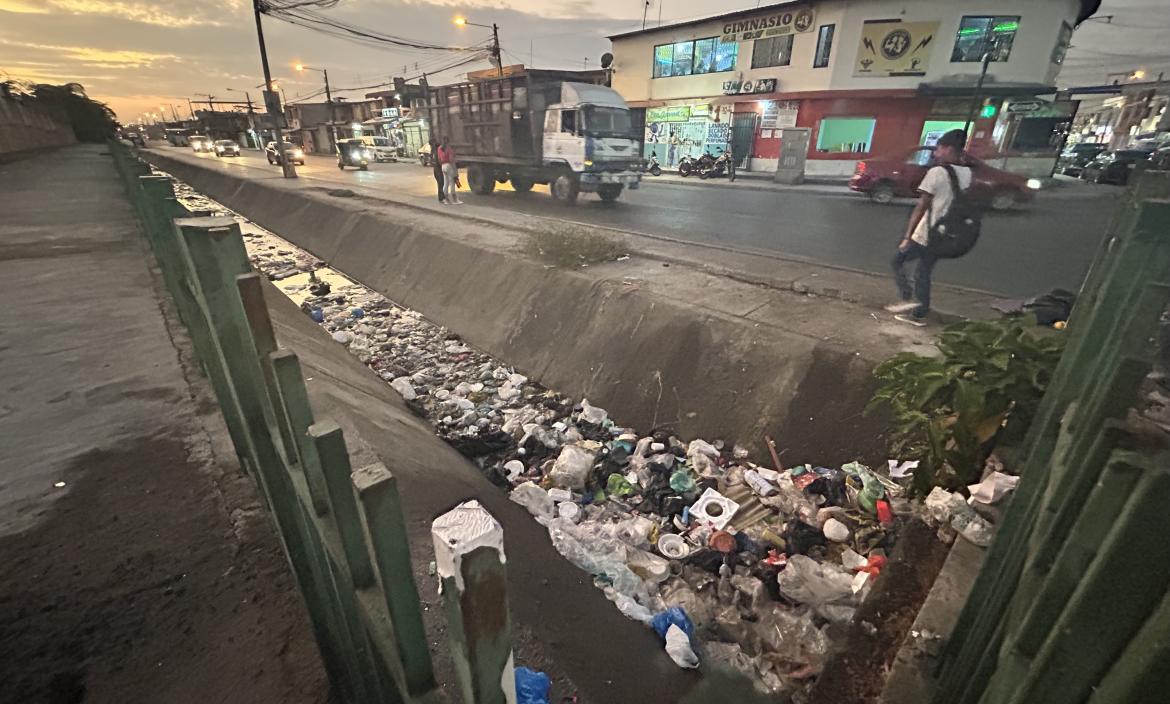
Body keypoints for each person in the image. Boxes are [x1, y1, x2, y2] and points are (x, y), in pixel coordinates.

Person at [886, 129, 972, 326]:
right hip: (946, 231)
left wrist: (907, 236)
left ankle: (909, 301)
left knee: (898, 261)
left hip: (927, 231)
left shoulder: (936, 172)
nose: (935, 153)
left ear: (949, 149)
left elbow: (921, 206)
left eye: (939, 149)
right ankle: (919, 309)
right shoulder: (966, 173)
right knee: (924, 271)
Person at [438, 136, 462, 205]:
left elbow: (439, 159)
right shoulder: (449, 149)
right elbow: (451, 160)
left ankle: (446, 200)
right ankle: (455, 200)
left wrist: (442, 165)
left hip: (443, 166)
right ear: (448, 142)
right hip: (449, 166)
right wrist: (455, 171)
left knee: (446, 183)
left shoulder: (439, 148)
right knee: (452, 183)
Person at [428, 137, 445, 203]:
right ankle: (441, 197)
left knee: (441, 183)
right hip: (438, 169)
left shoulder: (434, 150)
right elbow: (436, 160)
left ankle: (441, 197)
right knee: (441, 183)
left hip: (437, 169)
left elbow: (432, 161)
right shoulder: (435, 150)